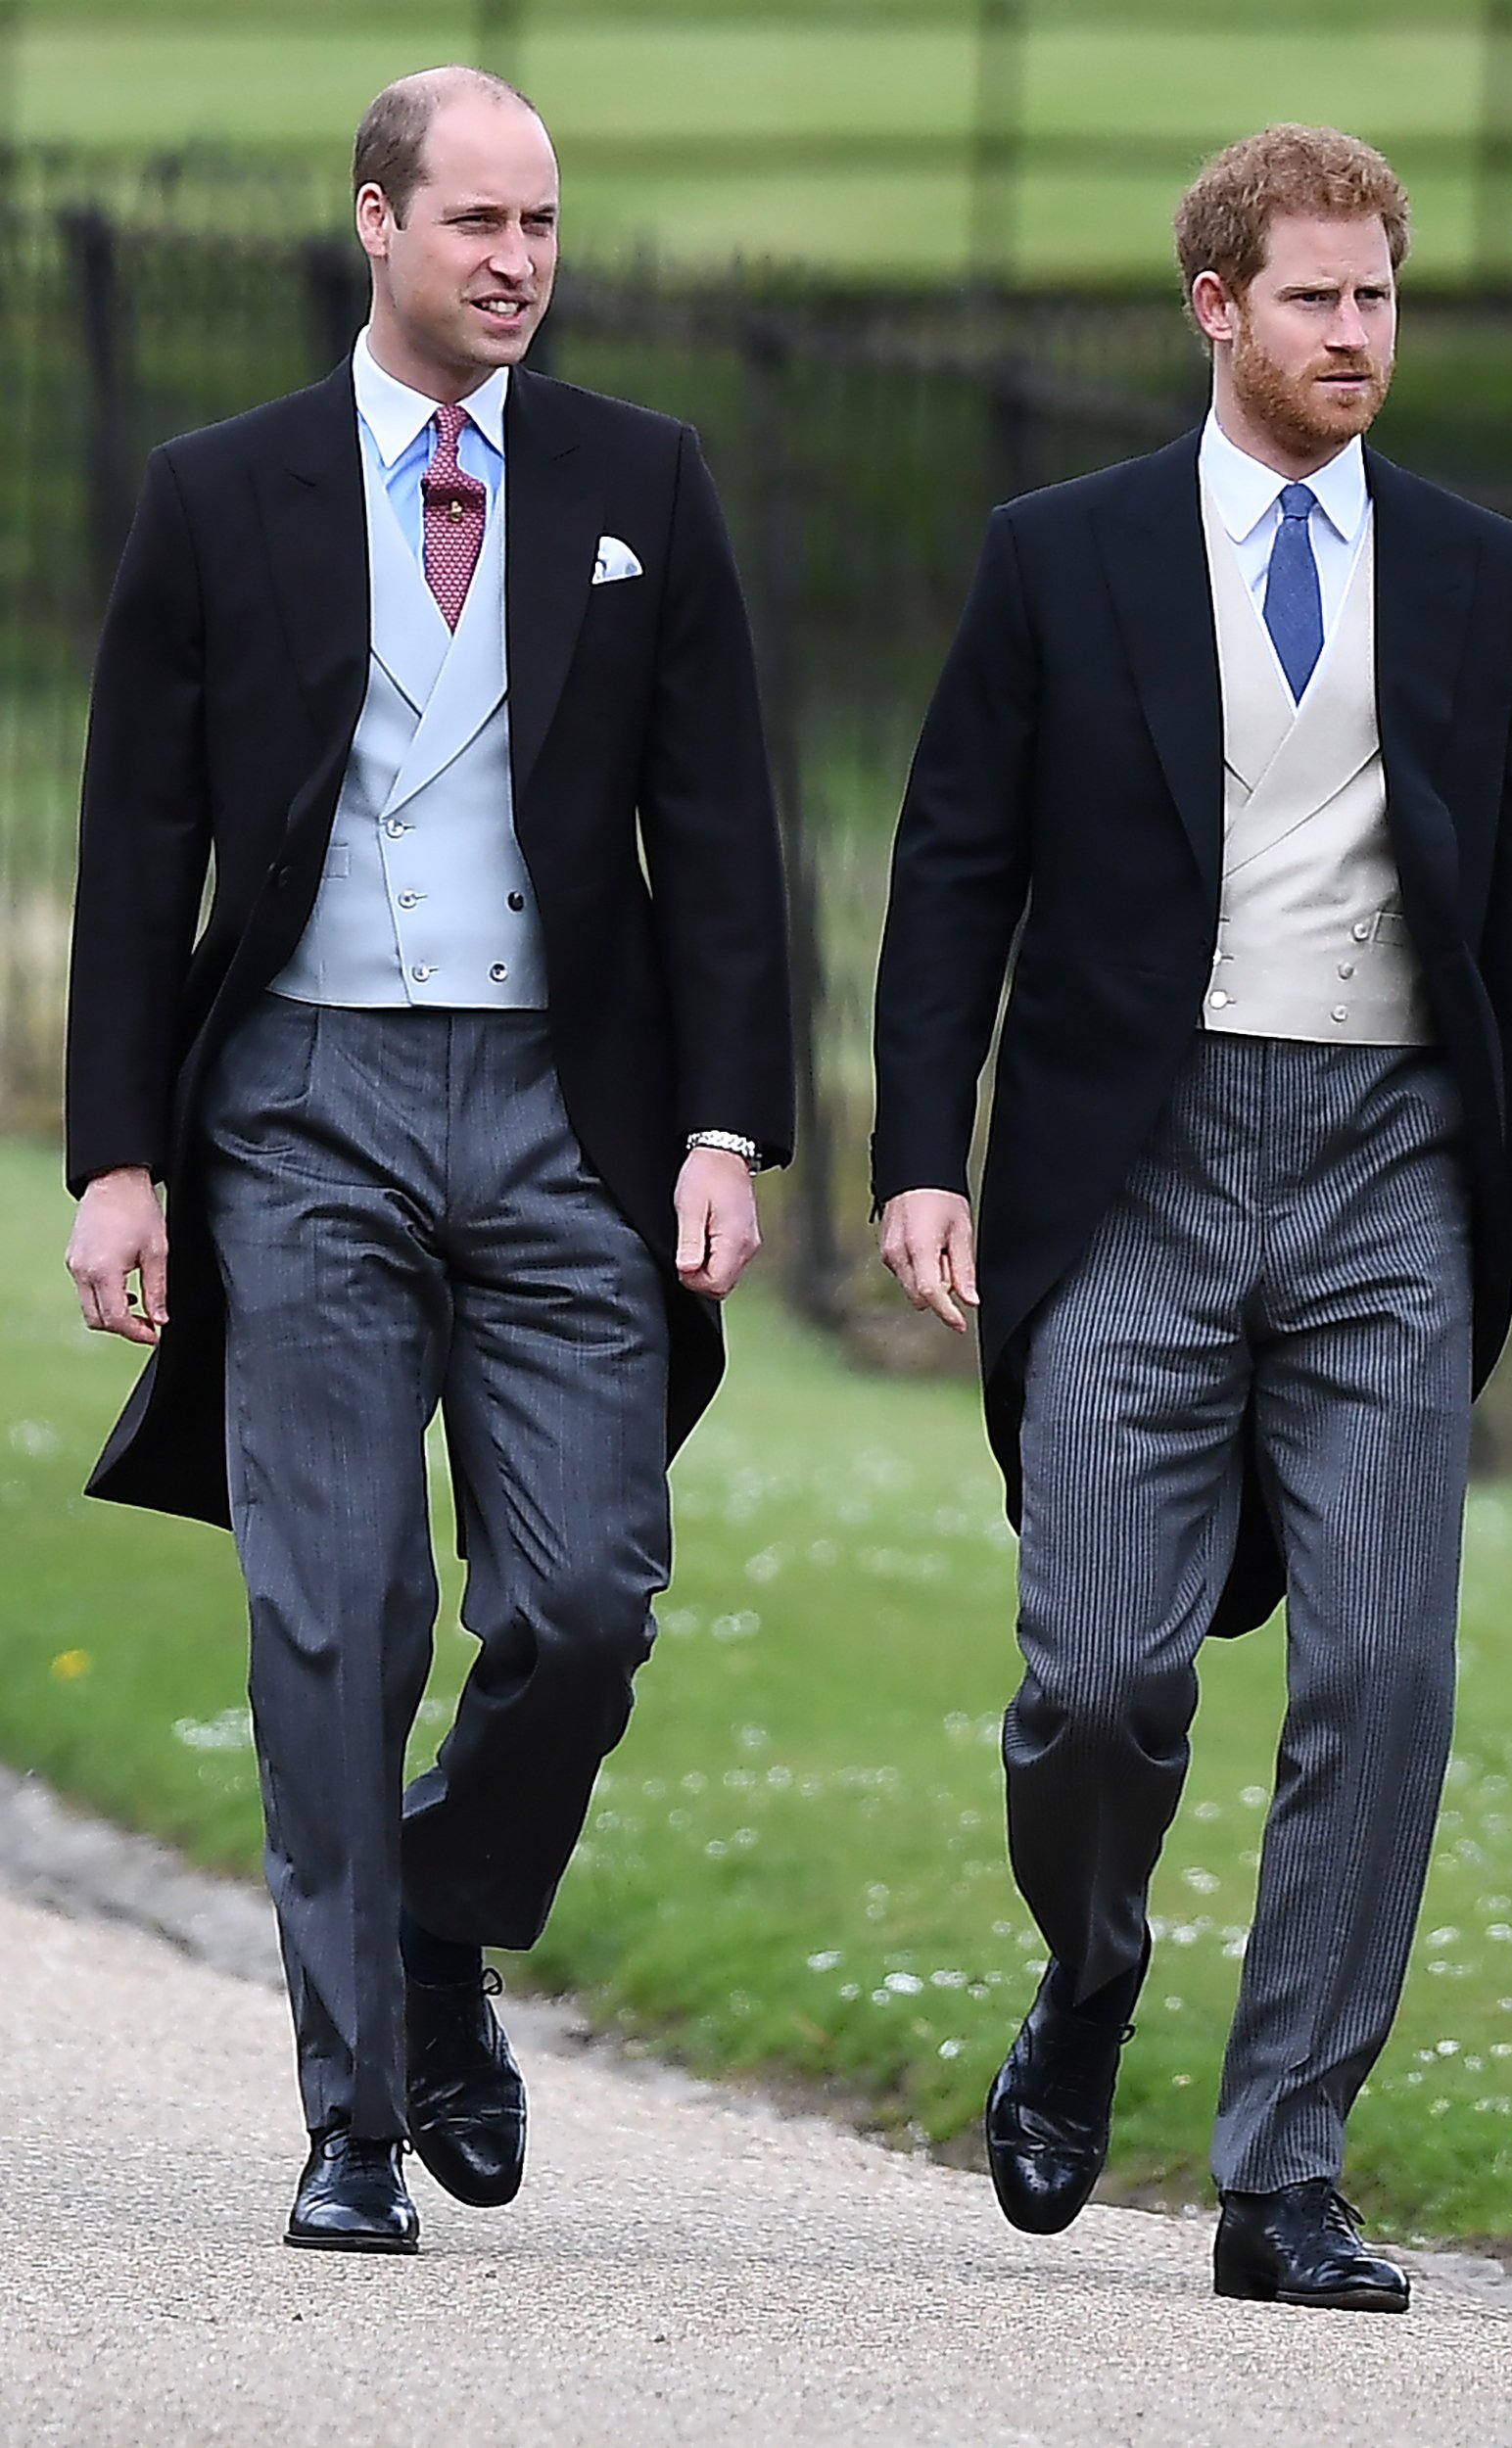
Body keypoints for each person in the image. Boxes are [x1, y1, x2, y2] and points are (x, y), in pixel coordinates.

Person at [871, 123, 1512, 2313]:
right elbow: (947, 865)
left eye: (1379, 295)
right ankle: (1090, 1972)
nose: (1356, 333)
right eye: (1315, 297)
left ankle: (1286, 2165)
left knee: (1381, 1668)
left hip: (1399, 1166)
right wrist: (929, 1146)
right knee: (1099, 1678)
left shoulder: (1491, 580)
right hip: (1140, 1165)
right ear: (1217, 305)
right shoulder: (1058, 552)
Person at [64, 66, 793, 2254]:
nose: (516, 263)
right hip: (302, 1105)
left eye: (543, 226)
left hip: (565, 1111)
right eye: (475, 222)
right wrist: (121, 1158)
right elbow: (137, 841)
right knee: (340, 1603)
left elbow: (728, 844)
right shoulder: (223, 492)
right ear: (374, 223)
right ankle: (351, 2112)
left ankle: (445, 1910)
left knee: (582, 1600)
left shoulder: (638, 479)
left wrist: (728, 1125)